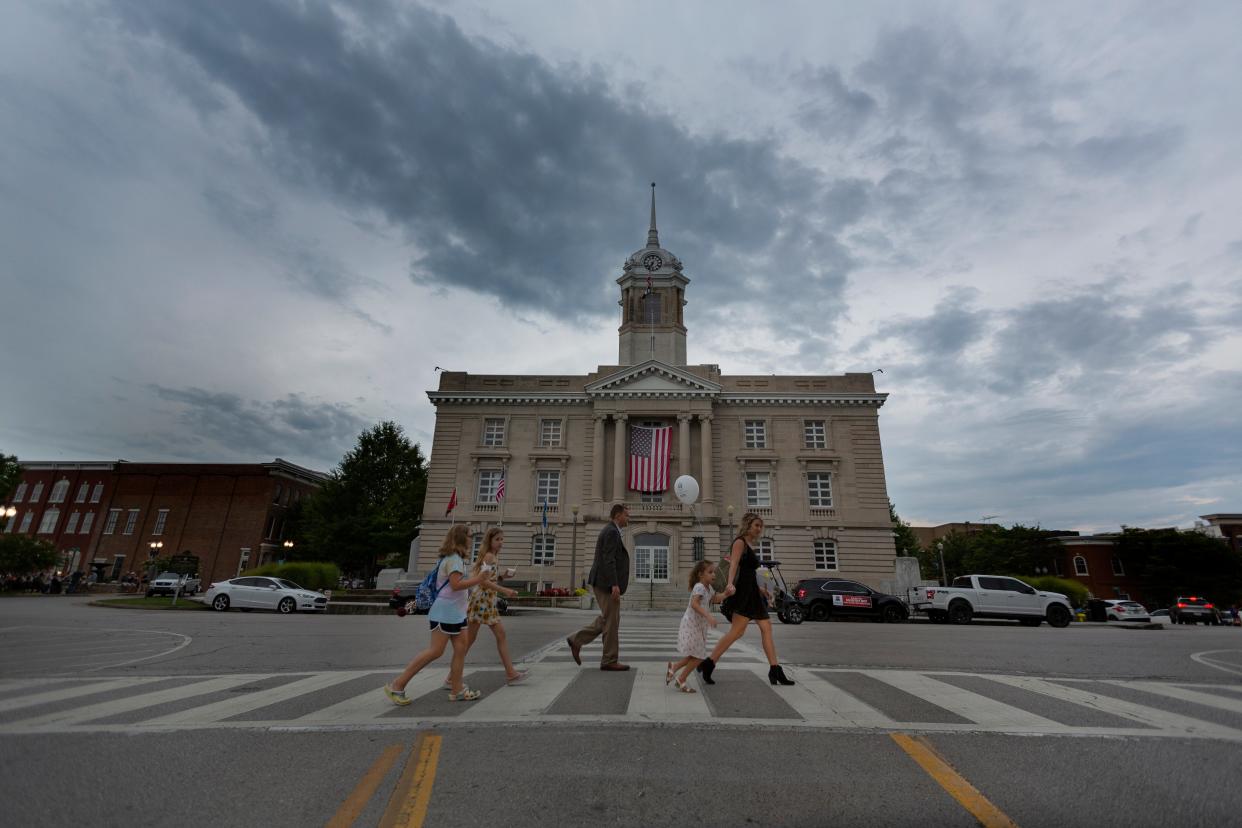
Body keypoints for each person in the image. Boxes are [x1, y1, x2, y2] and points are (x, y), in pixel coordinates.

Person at [383, 525, 495, 705]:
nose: (470, 539)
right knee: (436, 651)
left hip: (455, 612)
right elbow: (456, 585)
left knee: (460, 650)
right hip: (446, 612)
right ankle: (397, 684)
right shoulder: (454, 560)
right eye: (468, 536)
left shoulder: (451, 558)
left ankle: (457, 689)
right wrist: (480, 579)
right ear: (460, 538)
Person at [698, 512, 794, 686]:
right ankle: (709, 663)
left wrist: (761, 590)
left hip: (753, 593)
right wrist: (729, 584)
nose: (759, 529)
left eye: (760, 526)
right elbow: (733, 564)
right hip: (742, 594)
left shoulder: (749, 545)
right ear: (748, 525)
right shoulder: (740, 542)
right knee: (737, 632)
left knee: (766, 628)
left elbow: (749, 573)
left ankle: (775, 670)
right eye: (756, 525)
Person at [567, 503, 631, 671]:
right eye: (626, 515)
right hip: (605, 582)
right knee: (611, 621)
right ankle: (609, 660)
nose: (628, 518)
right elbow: (608, 559)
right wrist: (614, 584)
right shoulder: (611, 531)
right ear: (618, 516)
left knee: (608, 619)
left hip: (603, 581)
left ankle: (576, 640)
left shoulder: (613, 530)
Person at [465, 527, 527, 685]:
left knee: (472, 638)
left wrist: (502, 576)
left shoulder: (491, 557)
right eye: (498, 539)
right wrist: (505, 590)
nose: (501, 542)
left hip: (484, 600)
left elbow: (488, 578)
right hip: (483, 601)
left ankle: (511, 673)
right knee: (493, 636)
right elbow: (483, 581)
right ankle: (511, 674)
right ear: (490, 541)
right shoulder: (489, 557)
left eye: (502, 539)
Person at [667, 559, 725, 693]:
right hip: (691, 624)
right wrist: (708, 616)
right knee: (698, 656)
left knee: (695, 654)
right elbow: (694, 604)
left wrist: (726, 594)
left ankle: (674, 667)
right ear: (700, 574)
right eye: (710, 572)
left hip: (699, 626)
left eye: (714, 572)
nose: (713, 575)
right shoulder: (699, 586)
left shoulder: (708, 588)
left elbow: (714, 599)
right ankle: (681, 678)